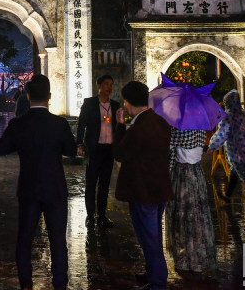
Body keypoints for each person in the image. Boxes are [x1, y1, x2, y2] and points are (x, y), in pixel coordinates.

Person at [0, 74, 77, 290]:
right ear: (49, 96)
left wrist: (19, 142)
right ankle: (59, 284)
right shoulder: (58, 124)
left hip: (29, 189)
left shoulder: (19, 124)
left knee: (25, 240)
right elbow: (71, 150)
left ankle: (26, 285)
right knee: (58, 241)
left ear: (28, 96)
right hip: (55, 189)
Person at [112, 81, 172, 290]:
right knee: (153, 234)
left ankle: (158, 282)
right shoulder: (160, 121)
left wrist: (119, 125)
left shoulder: (140, 127)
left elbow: (119, 152)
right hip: (159, 187)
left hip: (143, 190)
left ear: (127, 103)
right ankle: (153, 274)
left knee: (149, 238)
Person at [166, 127, 216, 274]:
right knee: (198, 215)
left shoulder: (178, 131)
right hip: (197, 173)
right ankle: (199, 257)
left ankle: (185, 258)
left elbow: (169, 151)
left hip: (181, 174)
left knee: (182, 216)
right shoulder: (201, 130)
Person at [208, 89, 245, 213]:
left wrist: (212, 146)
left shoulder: (228, 118)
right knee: (234, 172)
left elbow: (222, 134)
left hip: (237, 152)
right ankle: (227, 196)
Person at [76, 74, 120, 228]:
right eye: (106, 84)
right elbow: (81, 124)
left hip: (108, 149)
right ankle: (90, 216)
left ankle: (102, 215)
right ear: (98, 85)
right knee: (91, 183)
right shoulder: (89, 103)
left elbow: (119, 126)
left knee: (104, 184)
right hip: (93, 149)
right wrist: (79, 143)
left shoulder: (115, 105)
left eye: (111, 85)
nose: (109, 87)